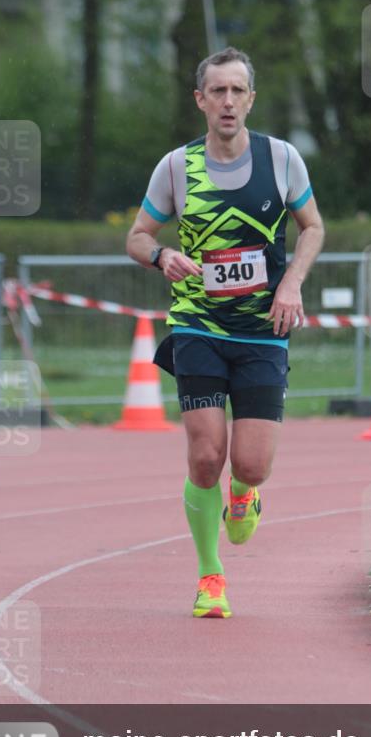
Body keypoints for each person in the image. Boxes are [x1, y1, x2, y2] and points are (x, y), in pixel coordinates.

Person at [126, 46, 324, 618]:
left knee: (251, 465)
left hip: (263, 329)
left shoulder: (282, 159)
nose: (228, 101)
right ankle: (210, 577)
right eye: (218, 91)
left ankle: (245, 495)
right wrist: (161, 256)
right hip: (198, 326)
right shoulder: (175, 167)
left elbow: (311, 228)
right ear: (201, 101)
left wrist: (290, 284)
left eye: (238, 90)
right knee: (206, 456)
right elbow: (137, 234)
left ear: (251, 99)